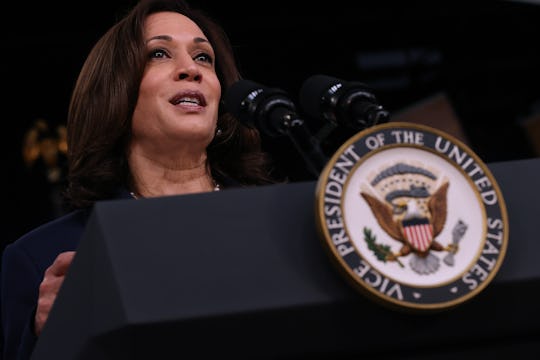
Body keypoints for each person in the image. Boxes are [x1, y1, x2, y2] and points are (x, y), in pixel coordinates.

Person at [0, 0, 278, 358]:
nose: (190, 69)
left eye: (203, 57)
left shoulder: (279, 226)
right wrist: (49, 338)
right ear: (115, 93)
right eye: (160, 53)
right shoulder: (41, 257)